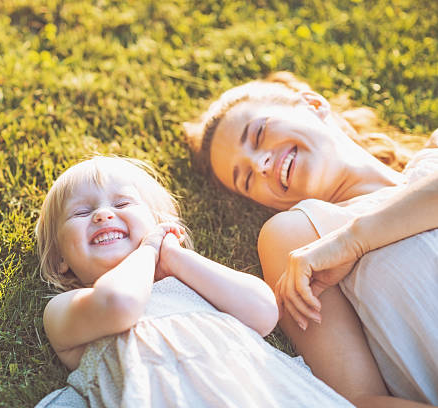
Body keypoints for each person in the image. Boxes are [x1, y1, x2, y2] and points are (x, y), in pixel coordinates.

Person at [184, 72, 438, 407]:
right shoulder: (301, 236)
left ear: (314, 104)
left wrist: (354, 241)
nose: (259, 163)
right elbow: (359, 397)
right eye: (246, 179)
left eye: (258, 133)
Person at [34, 156, 353, 407]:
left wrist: (174, 257)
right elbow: (120, 304)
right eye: (80, 213)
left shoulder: (192, 282)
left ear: (160, 226)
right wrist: (147, 250)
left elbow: (264, 312)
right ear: (61, 259)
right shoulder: (68, 307)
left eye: (121, 204)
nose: (103, 215)